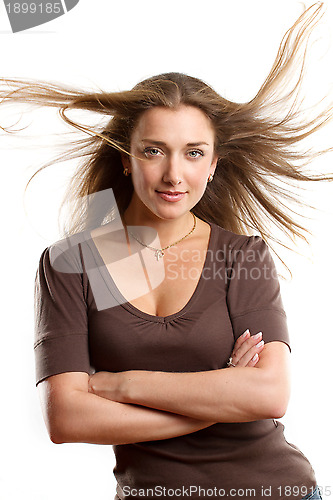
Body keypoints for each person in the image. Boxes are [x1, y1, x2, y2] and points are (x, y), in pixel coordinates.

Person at [1, 3, 331, 500]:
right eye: (154, 150)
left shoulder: (242, 256)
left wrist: (119, 385)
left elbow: (269, 394)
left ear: (214, 164)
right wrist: (219, 396)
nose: (175, 175)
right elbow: (66, 417)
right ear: (127, 159)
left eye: (193, 153)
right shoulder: (68, 264)